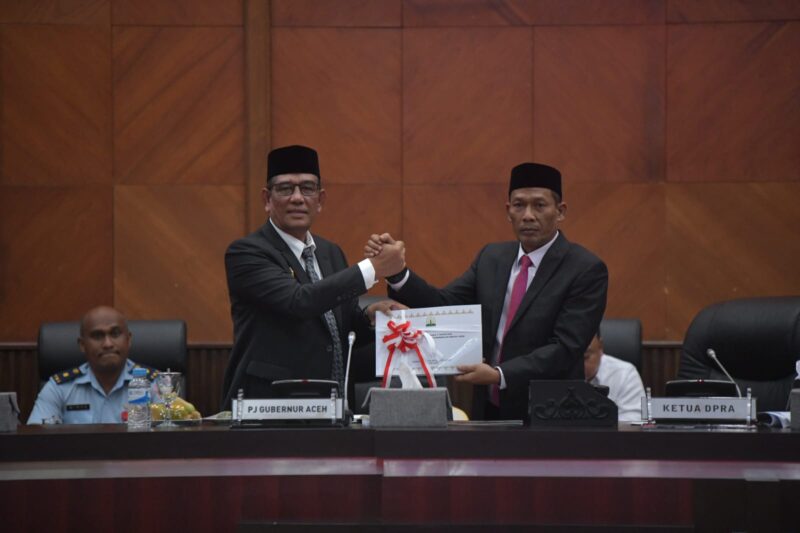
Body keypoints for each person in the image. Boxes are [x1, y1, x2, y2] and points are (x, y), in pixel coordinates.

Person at [365, 162, 608, 420]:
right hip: (489, 409)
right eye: (518, 205)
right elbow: (444, 304)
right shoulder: (492, 258)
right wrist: (397, 273)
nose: (527, 215)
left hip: (550, 413)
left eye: (539, 205)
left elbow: (565, 348)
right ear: (508, 211)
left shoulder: (585, 269)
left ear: (560, 211)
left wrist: (499, 374)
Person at [221, 145, 406, 407]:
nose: (297, 198)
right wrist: (374, 268)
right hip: (269, 407)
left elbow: (336, 324)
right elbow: (299, 302)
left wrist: (369, 316)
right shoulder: (247, 252)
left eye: (307, 188)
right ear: (266, 199)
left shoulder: (330, 252)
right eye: (286, 189)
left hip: (332, 405)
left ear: (320, 200)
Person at [27, 306, 158, 424]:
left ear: (128, 340)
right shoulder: (59, 388)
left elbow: (171, 440)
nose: (108, 344)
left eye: (115, 334)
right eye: (97, 336)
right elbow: (37, 440)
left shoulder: (155, 384)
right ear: (82, 345)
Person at [584, 332, 645, 422]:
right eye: (570, 356)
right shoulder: (556, 371)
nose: (576, 364)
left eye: (585, 357)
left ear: (600, 347)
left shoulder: (625, 374)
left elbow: (635, 420)